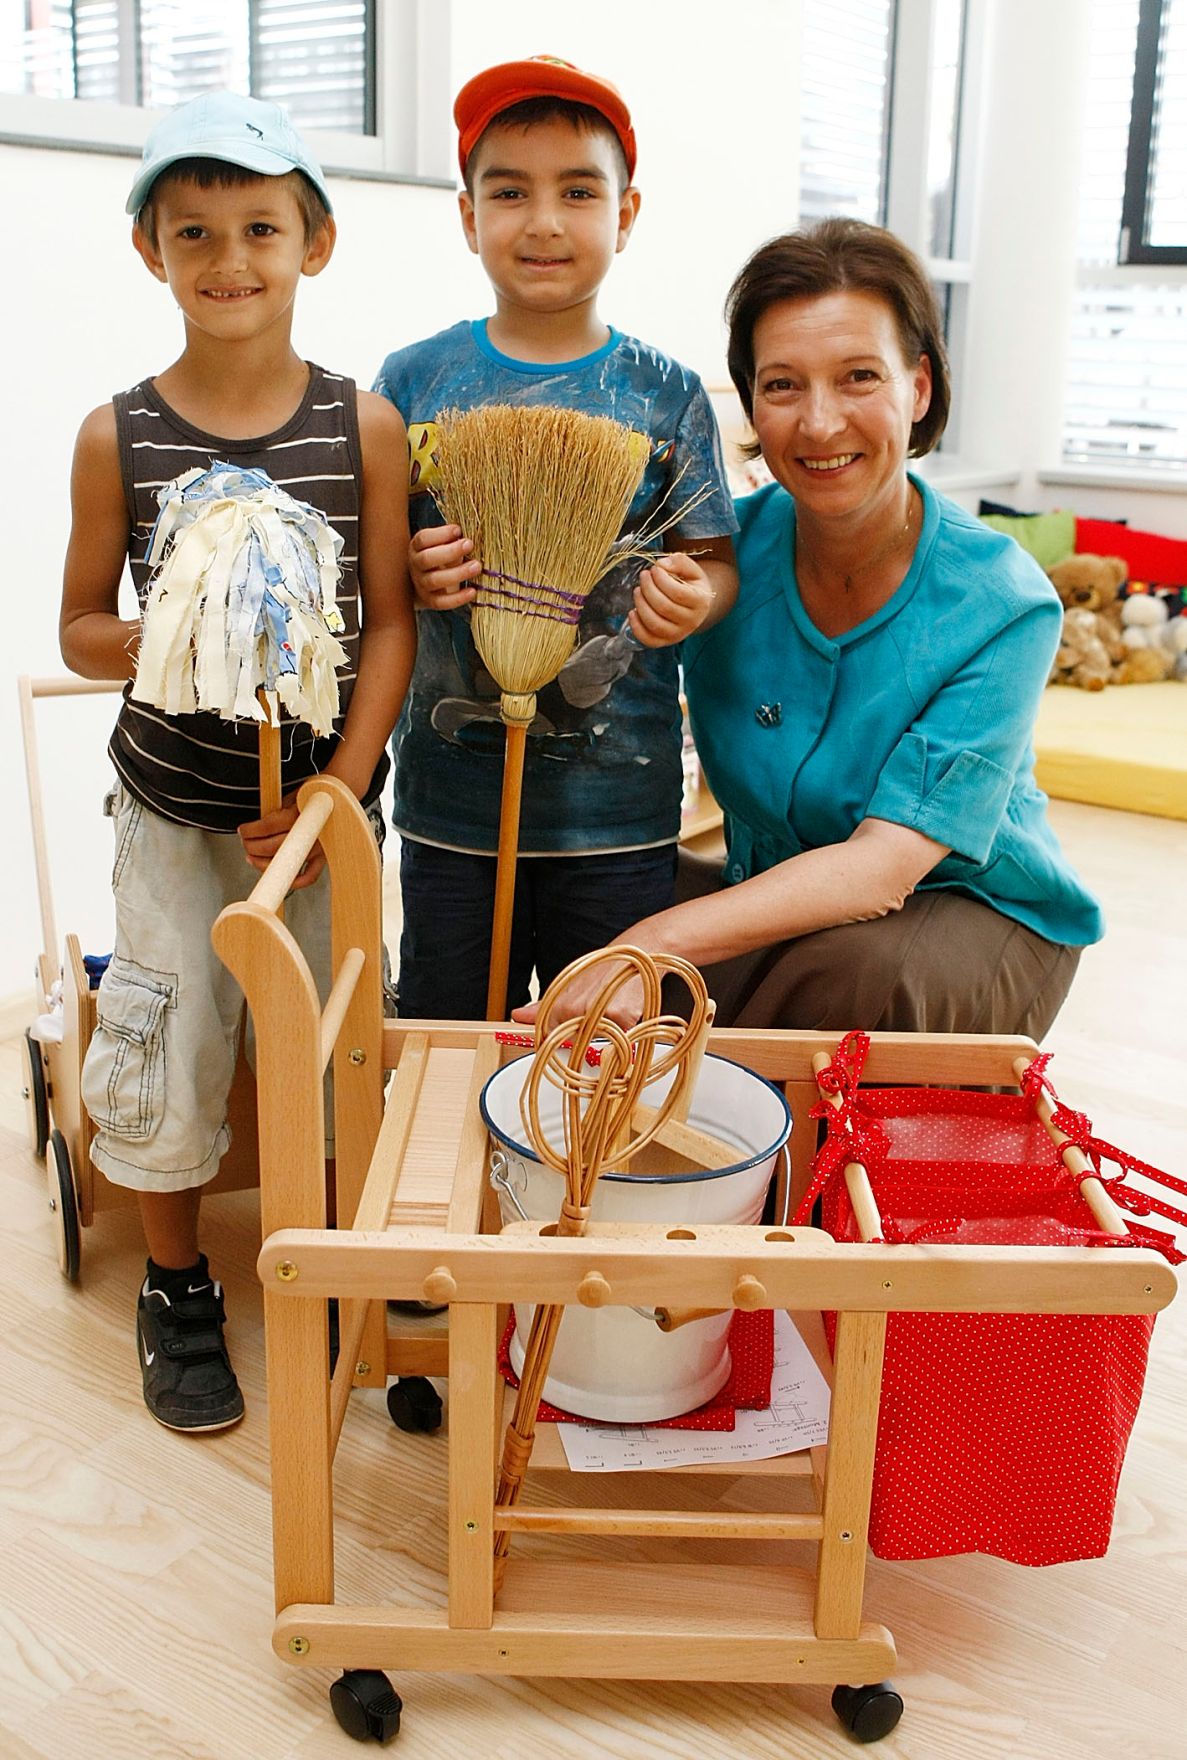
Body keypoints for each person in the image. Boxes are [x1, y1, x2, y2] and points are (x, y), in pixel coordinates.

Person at [514, 219, 1103, 1035]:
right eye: (782, 385)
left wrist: (653, 942)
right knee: (585, 899)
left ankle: (756, 1155)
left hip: (968, 909)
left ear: (919, 387)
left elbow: (882, 870)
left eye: (858, 376)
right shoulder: (717, 559)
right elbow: (567, 651)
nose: (819, 424)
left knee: (843, 977)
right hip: (785, 890)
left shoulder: (1003, 603)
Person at [59, 91, 415, 1433]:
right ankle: (174, 1285)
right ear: (151, 250)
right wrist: (184, 622)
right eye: (193, 227)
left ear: (311, 243)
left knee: (333, 1040)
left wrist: (341, 790)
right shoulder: (120, 437)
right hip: (171, 815)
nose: (229, 254)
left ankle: (351, 1269)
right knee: (169, 1033)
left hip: (308, 820)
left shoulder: (357, 424)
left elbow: (389, 625)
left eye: (260, 225)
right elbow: (79, 626)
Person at [373, 56, 738, 1021]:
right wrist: (412, 575)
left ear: (625, 215)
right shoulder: (412, 382)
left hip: (619, 815)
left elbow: (714, 563)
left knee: (602, 1053)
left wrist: (692, 597)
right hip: (451, 809)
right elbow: (368, 577)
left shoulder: (666, 394)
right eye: (509, 191)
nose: (543, 219)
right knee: (452, 1038)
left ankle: (584, 1185)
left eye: (578, 191)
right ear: (467, 217)